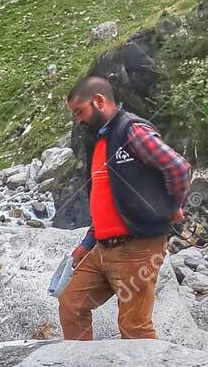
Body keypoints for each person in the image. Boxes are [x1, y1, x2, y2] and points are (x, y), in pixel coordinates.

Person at [60, 76, 191, 341]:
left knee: (134, 327)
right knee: (72, 305)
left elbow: (178, 167)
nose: (78, 120)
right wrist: (86, 243)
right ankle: (80, 365)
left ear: (99, 101)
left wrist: (173, 206)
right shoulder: (100, 142)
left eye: (80, 112)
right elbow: (107, 200)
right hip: (102, 249)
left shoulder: (131, 130)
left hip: (138, 248)